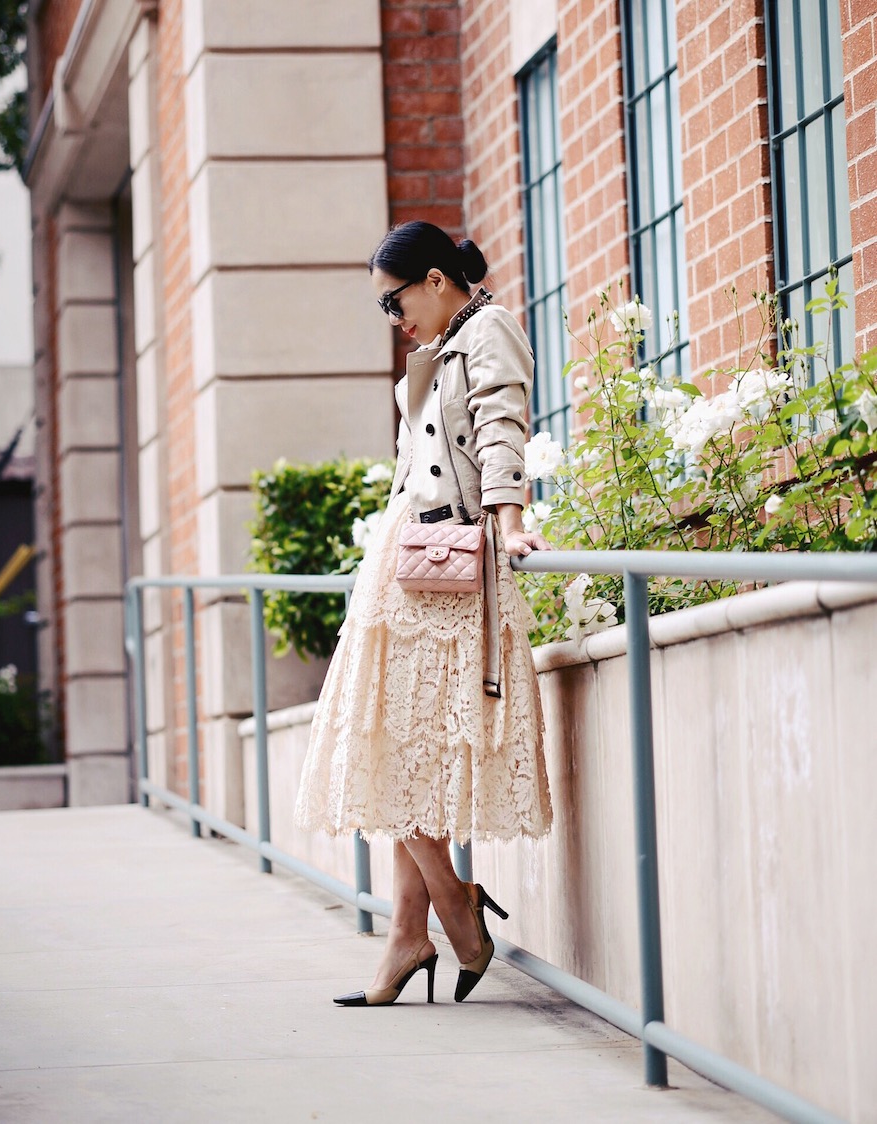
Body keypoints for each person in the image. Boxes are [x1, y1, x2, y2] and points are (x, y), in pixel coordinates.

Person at [294, 220, 554, 1006]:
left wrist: (510, 519)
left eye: (395, 301)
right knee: (387, 746)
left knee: (401, 755)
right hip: (406, 566)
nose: (394, 319)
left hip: (456, 566)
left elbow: (504, 426)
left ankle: (449, 918)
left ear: (437, 280)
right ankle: (415, 933)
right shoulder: (440, 344)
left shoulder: (489, 329)